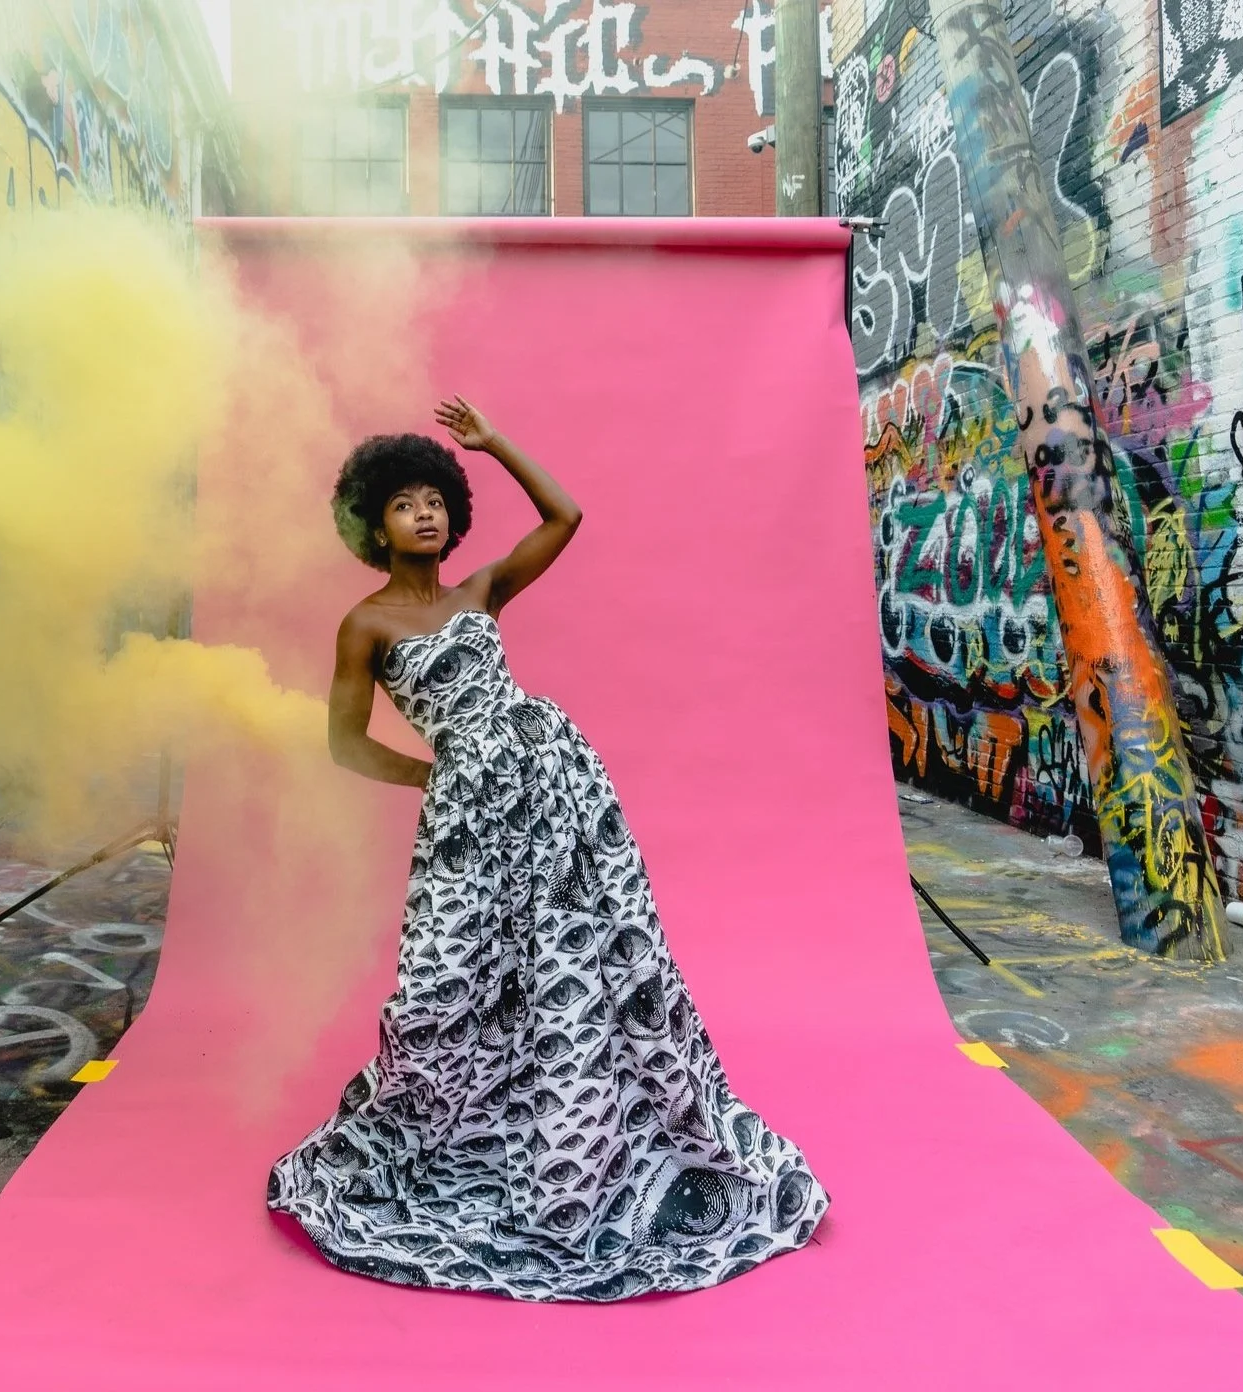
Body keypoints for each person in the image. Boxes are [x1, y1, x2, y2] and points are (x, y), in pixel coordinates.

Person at [266, 396, 827, 1302]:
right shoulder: (364, 627)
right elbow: (343, 743)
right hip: (468, 818)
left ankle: (591, 1137)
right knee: (448, 986)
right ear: (374, 524)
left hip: (553, 787)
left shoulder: (478, 592)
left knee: (580, 957)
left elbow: (565, 518)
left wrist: (493, 446)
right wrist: (433, 779)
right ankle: (433, 1143)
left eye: (435, 499)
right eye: (404, 503)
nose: (426, 512)